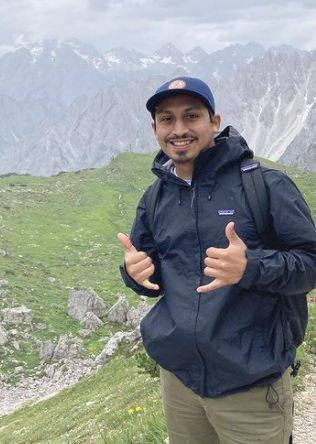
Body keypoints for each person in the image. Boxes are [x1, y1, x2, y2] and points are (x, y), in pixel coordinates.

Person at [118, 76, 316, 444]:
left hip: (251, 384)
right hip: (180, 382)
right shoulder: (156, 197)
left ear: (214, 122)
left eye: (191, 116)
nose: (179, 129)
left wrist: (250, 267)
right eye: (167, 119)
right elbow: (152, 274)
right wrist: (135, 274)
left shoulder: (265, 185)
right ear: (155, 129)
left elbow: (310, 264)